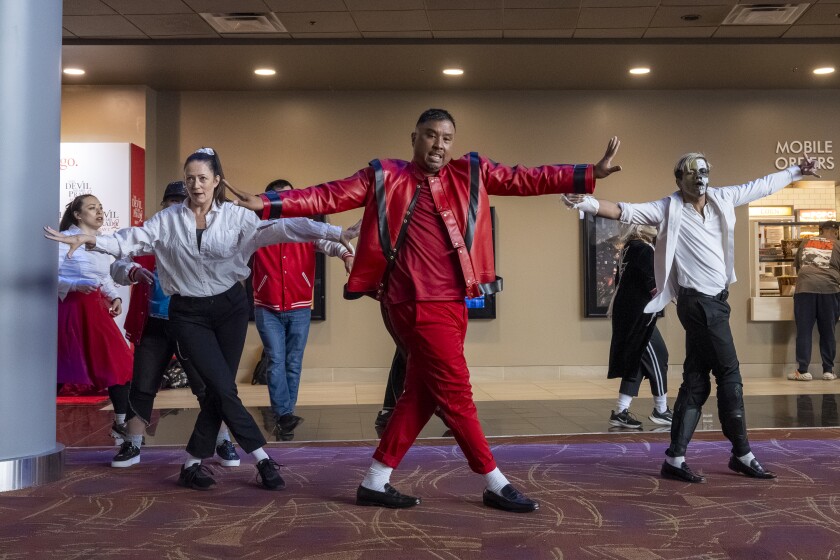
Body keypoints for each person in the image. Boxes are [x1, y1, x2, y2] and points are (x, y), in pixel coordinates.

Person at [226, 108, 622, 512]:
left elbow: (526, 178)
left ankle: (376, 480)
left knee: (420, 393)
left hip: (454, 301)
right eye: (431, 136)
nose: (439, 145)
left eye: (447, 138)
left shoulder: (470, 173)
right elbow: (327, 194)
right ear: (414, 137)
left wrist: (589, 173)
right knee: (456, 392)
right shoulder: (385, 176)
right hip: (413, 301)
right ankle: (493, 480)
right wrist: (268, 203)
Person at [46, 148, 359, 491]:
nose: (196, 185)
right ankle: (263, 458)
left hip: (230, 309)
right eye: (190, 178)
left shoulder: (237, 218)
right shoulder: (167, 220)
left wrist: (335, 234)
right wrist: (92, 238)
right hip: (188, 313)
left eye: (203, 178)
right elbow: (129, 240)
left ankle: (192, 463)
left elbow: (286, 227)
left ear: (217, 181)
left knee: (215, 390)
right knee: (222, 387)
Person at [565, 152, 820, 483]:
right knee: (730, 375)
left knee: (697, 379)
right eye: (691, 173)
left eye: (703, 171)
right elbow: (624, 210)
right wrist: (585, 202)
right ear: (678, 179)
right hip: (698, 304)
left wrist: (796, 169)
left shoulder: (723, 198)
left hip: (718, 302)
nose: (699, 177)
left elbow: (760, 186)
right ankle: (742, 453)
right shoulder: (668, 209)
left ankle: (674, 458)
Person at [109, 181, 238, 468]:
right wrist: (131, 270)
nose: (177, 208)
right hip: (154, 323)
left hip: (194, 324)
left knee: (208, 386)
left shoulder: (204, 235)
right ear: (163, 207)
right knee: (142, 385)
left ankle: (222, 440)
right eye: (172, 203)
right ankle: (132, 443)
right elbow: (117, 265)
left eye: (183, 203)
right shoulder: (147, 234)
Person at [252, 179, 354, 440]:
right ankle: (283, 414)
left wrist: (347, 255)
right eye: (279, 197)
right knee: (276, 359)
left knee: (293, 362)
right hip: (267, 305)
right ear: (270, 200)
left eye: (290, 197)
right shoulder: (258, 228)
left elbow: (331, 243)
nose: (285, 202)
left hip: (299, 305)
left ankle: (287, 413)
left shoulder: (306, 227)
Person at [56, 194, 133, 443]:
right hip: (69, 310)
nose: (99, 212)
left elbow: (104, 277)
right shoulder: (62, 241)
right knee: (59, 368)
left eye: (100, 207)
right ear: (78, 215)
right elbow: (48, 276)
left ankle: (121, 422)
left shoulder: (101, 242)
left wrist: (115, 297)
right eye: (92, 208)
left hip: (95, 309)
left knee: (116, 362)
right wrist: (75, 285)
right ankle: (36, 424)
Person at [603, 224, 671, 430]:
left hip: (630, 315)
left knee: (638, 363)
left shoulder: (629, 248)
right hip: (639, 317)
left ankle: (621, 411)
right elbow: (652, 282)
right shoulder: (643, 249)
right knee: (659, 356)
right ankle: (661, 410)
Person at [788, 220, 840, 382]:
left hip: (805, 289)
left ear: (820, 230)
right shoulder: (838, 245)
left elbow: (798, 268)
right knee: (828, 331)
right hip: (829, 290)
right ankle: (828, 371)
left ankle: (803, 371)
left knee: (804, 331)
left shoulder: (805, 242)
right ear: (836, 231)